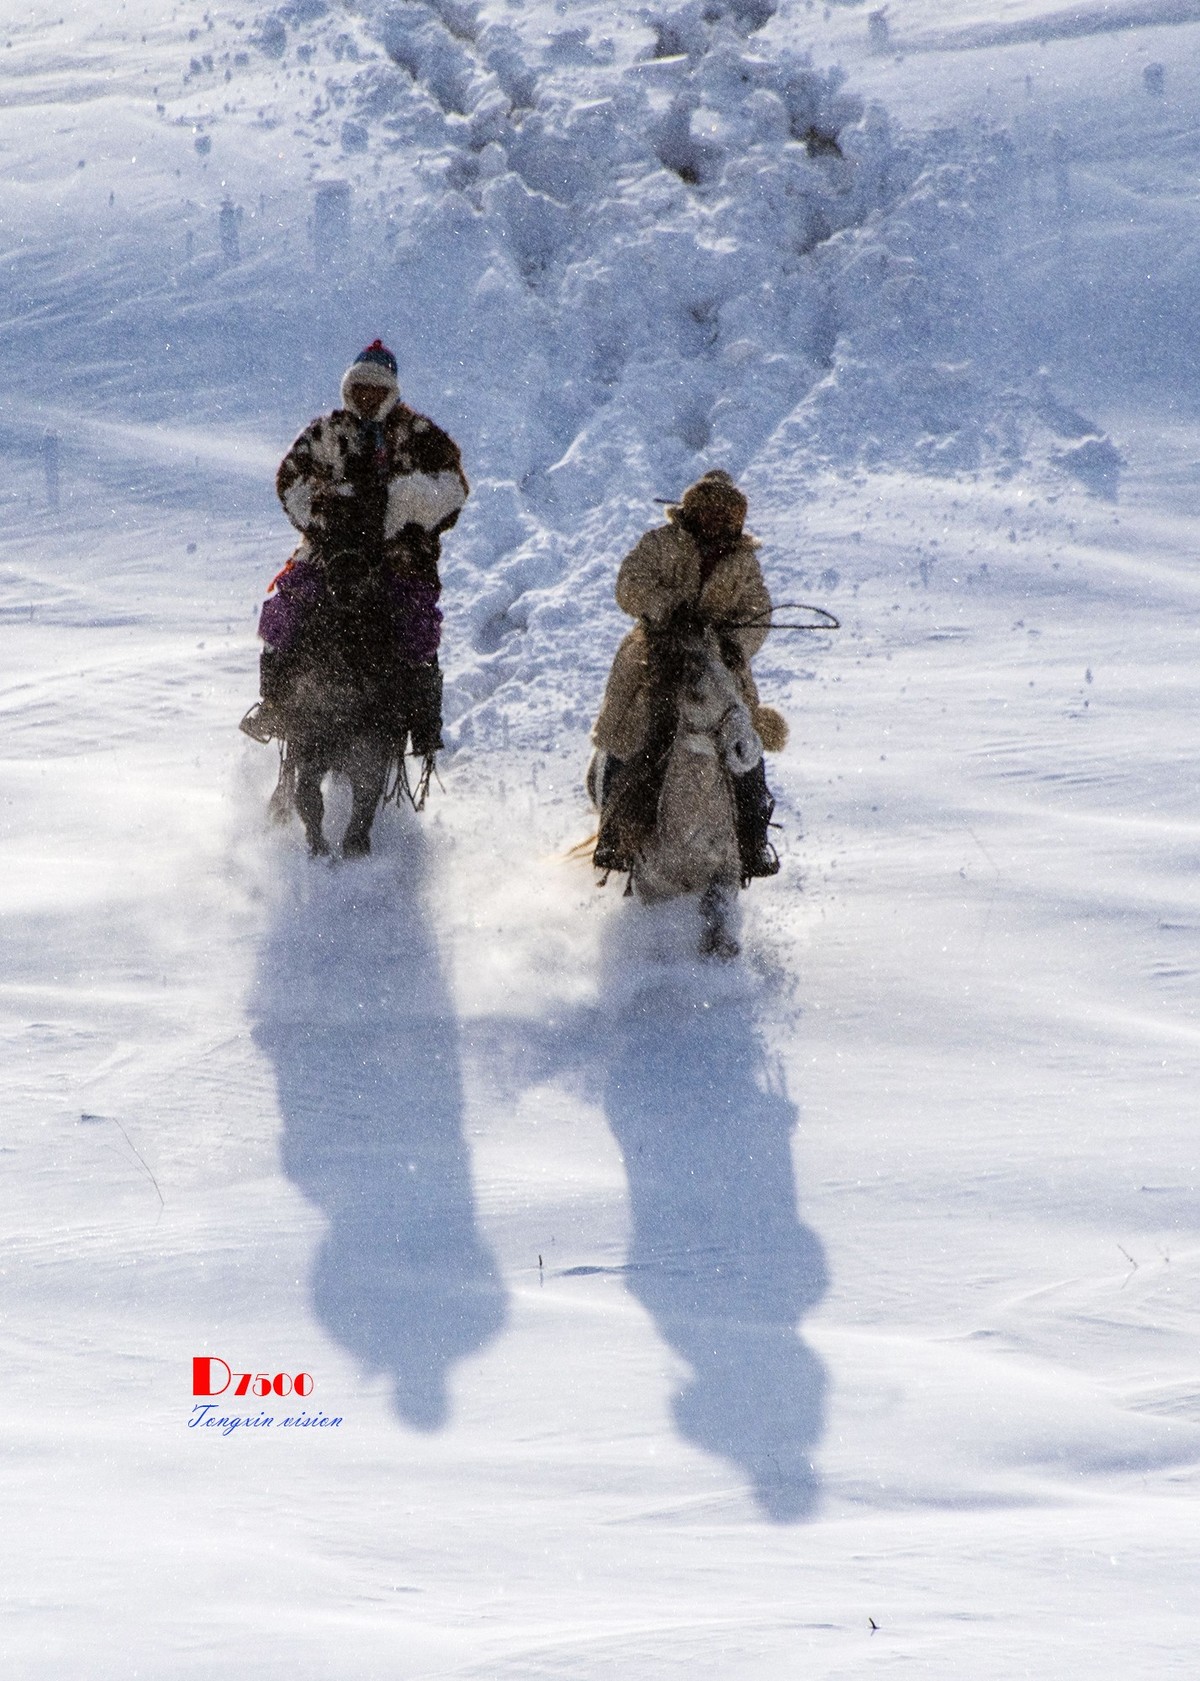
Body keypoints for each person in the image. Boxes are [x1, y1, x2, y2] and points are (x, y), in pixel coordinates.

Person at [254, 340, 468, 761]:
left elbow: (453, 488)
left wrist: (404, 503)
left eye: (376, 389)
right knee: (286, 608)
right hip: (330, 552)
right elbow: (289, 479)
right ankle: (274, 703)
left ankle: (424, 724)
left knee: (417, 625)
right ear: (348, 390)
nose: (367, 397)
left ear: (390, 392)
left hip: (399, 558)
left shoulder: (419, 434)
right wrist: (324, 512)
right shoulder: (325, 433)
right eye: (360, 389)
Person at [591, 469, 785, 883]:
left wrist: (734, 643)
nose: (718, 521)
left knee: (743, 745)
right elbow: (630, 584)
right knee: (633, 735)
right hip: (657, 655)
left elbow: (759, 612)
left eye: (727, 515)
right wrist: (669, 609)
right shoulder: (661, 543)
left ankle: (752, 842)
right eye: (710, 511)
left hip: (719, 662)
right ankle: (614, 836)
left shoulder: (744, 562)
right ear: (693, 510)